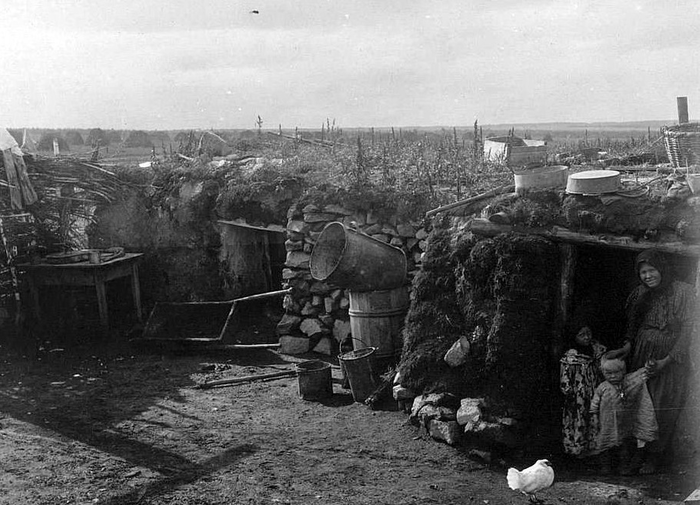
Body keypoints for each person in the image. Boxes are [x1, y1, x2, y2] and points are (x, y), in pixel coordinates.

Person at [612, 249, 697, 474]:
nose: (648, 276)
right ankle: (636, 455)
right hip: (642, 354)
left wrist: (665, 361)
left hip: (670, 359)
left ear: (662, 268)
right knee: (638, 404)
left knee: (661, 406)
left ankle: (654, 457)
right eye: (643, 272)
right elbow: (632, 325)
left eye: (652, 270)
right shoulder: (640, 293)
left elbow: (687, 332)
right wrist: (627, 345)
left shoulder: (683, 292)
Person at [589, 355, 658, 475]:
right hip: (607, 423)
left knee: (624, 445)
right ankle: (605, 467)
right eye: (609, 373)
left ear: (623, 372)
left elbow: (637, 381)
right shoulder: (603, 387)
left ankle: (623, 467)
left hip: (622, 422)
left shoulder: (626, 385)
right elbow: (595, 403)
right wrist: (594, 416)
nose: (613, 376)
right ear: (603, 373)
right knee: (605, 445)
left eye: (616, 373)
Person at [559, 315, 607, 459]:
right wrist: (568, 392)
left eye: (588, 334)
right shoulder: (570, 357)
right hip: (578, 397)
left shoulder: (596, 351)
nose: (586, 337)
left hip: (594, 392)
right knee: (579, 421)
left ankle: (594, 450)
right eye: (582, 335)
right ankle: (578, 451)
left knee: (594, 419)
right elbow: (565, 378)